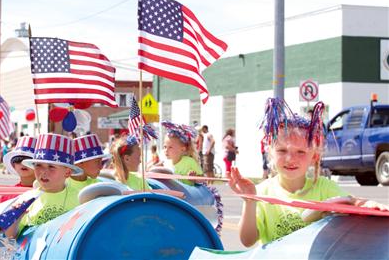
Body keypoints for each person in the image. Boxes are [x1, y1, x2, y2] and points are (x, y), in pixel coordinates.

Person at [229, 98, 389, 247]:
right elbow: (247, 240)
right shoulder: (263, 191)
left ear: (315, 156)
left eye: (300, 152)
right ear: (270, 152)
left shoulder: (325, 188)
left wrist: (368, 204)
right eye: (282, 150)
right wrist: (250, 201)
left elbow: (351, 201)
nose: (290, 158)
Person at [3, 133, 83, 239]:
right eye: (38, 165)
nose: (43, 172)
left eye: (51, 167)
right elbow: (11, 237)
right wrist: (15, 220)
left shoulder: (81, 199)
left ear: (67, 172)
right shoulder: (26, 199)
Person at [69, 133, 111, 198]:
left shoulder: (100, 186)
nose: (101, 167)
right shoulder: (61, 186)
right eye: (97, 161)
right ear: (79, 163)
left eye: (101, 162)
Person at [161, 121, 203, 186]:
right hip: (171, 194)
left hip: (188, 194)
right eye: (165, 147)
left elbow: (202, 179)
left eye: (170, 147)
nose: (166, 150)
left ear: (182, 149)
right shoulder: (165, 163)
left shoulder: (189, 161)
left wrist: (194, 179)